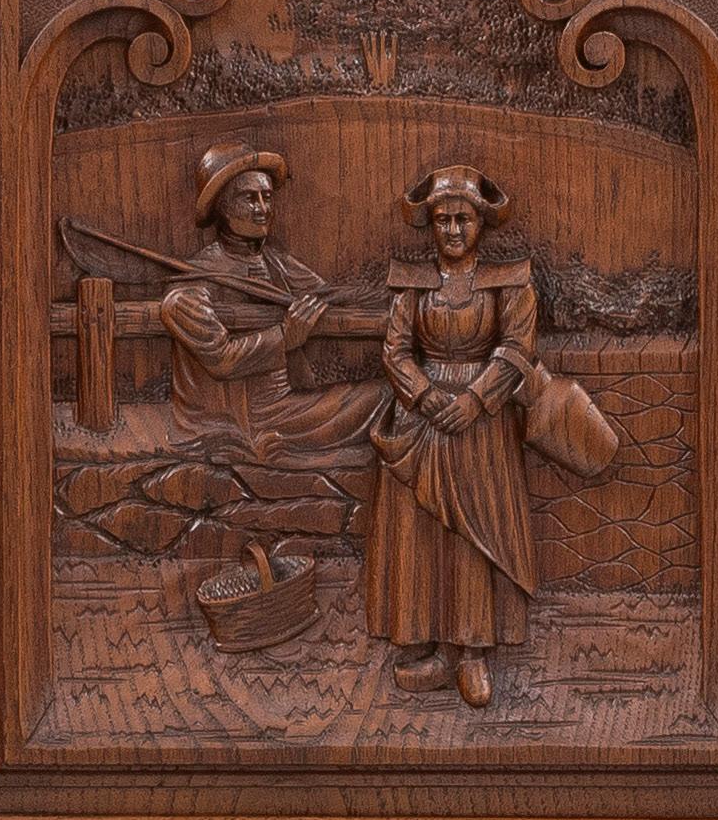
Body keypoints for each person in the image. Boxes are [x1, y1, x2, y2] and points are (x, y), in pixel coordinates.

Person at [366, 165, 538, 708]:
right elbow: (395, 350)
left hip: (482, 424)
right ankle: (433, 644)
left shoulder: (508, 282)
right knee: (423, 533)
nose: (454, 230)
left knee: (472, 533)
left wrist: (475, 400)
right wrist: (424, 395)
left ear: (481, 223)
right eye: (443, 220)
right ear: (431, 225)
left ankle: (471, 651)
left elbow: (516, 349)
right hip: (422, 420)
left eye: (464, 219)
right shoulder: (413, 284)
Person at [160, 142, 385, 467]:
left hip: (284, 407)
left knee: (388, 396)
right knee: (384, 399)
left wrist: (392, 296)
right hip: (235, 422)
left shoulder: (276, 264)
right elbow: (222, 360)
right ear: (222, 206)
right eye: (250, 198)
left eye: (267, 197)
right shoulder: (193, 283)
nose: (263, 208)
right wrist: (285, 336)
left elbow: (327, 294)